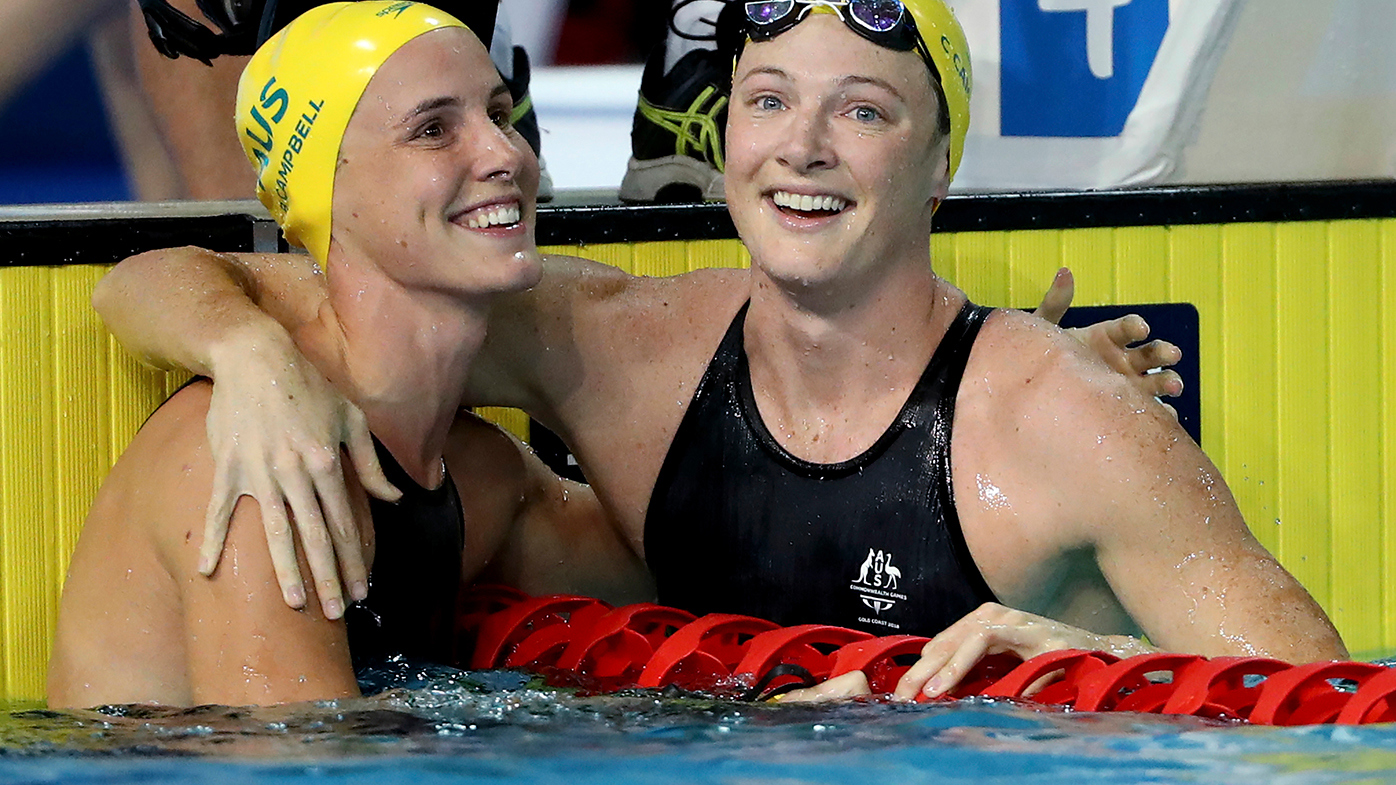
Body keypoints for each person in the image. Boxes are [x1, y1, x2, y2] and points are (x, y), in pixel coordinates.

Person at [93, 0, 1345, 704]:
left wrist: (1108, 671)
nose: (801, 145)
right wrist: (245, 355)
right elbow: (197, 277)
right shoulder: (614, 351)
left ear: (940, 162)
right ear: (729, 139)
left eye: (861, 110)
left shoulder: (1066, 417)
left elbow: (1329, 716)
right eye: (766, 101)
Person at [47, 1, 647, 709]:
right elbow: (308, 761)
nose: (505, 155)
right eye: (433, 130)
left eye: (499, 114)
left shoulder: (477, 478)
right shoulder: (252, 466)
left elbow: (692, 570)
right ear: (323, 189)